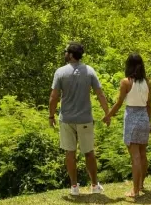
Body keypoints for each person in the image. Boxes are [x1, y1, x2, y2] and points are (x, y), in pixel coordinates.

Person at [49, 41, 112, 196]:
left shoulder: (60, 72)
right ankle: (94, 185)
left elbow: (54, 97)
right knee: (89, 152)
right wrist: (107, 113)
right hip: (85, 118)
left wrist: (51, 115)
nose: (65, 54)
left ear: (70, 55)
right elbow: (100, 93)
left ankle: (74, 187)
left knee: (70, 153)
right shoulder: (89, 71)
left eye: (66, 52)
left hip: (67, 119)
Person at [105, 53, 151, 199]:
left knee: (135, 157)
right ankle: (141, 185)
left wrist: (108, 115)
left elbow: (119, 103)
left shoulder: (126, 82)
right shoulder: (148, 82)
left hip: (132, 118)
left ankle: (135, 190)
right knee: (142, 154)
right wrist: (148, 122)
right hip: (144, 117)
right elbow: (149, 106)